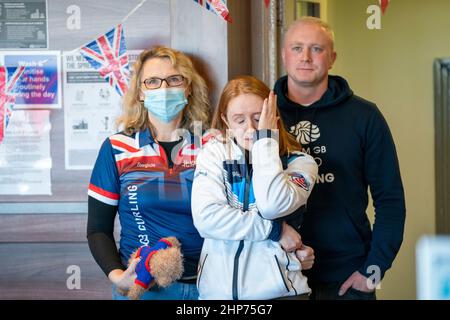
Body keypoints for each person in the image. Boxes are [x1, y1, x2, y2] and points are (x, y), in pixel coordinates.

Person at [274, 16, 406, 300]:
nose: (306, 57)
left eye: (316, 49)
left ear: (332, 58)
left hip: (347, 278)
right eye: (296, 48)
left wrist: (374, 269)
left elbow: (391, 200)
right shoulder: (262, 114)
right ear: (284, 54)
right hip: (275, 273)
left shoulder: (365, 117)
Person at [87, 46, 211, 300]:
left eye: (174, 79)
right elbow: (98, 228)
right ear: (141, 92)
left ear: (188, 87)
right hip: (144, 289)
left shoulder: (212, 145)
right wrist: (117, 276)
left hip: (210, 287)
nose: (164, 89)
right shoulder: (116, 148)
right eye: (152, 81)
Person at [191, 76, 318, 300]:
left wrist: (266, 140)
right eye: (239, 120)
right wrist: (275, 231)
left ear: (273, 116)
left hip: (281, 294)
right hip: (215, 295)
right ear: (225, 120)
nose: (250, 128)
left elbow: (271, 206)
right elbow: (206, 218)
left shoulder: (300, 163)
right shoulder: (214, 154)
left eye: (258, 118)